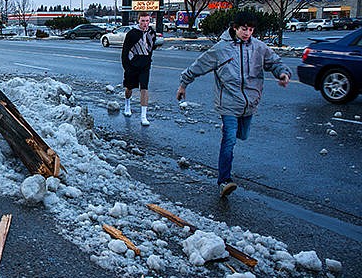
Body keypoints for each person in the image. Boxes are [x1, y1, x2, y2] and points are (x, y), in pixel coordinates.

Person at [175, 11, 291, 198]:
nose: (247, 33)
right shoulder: (221, 49)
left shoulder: (259, 48)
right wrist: (183, 84)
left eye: (251, 30)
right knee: (229, 139)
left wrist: (283, 74)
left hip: (250, 102)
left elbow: (274, 62)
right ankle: (224, 181)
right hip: (228, 102)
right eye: (244, 29)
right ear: (235, 28)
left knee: (242, 135)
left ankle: (232, 129)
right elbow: (199, 65)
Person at [121, 13, 156, 126]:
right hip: (133, 64)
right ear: (138, 21)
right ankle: (127, 104)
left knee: (144, 88)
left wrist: (148, 60)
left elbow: (150, 48)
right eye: (143, 21)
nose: (145, 24)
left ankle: (143, 116)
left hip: (145, 65)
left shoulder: (151, 33)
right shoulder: (132, 34)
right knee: (129, 88)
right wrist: (126, 67)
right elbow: (125, 52)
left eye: (147, 21)